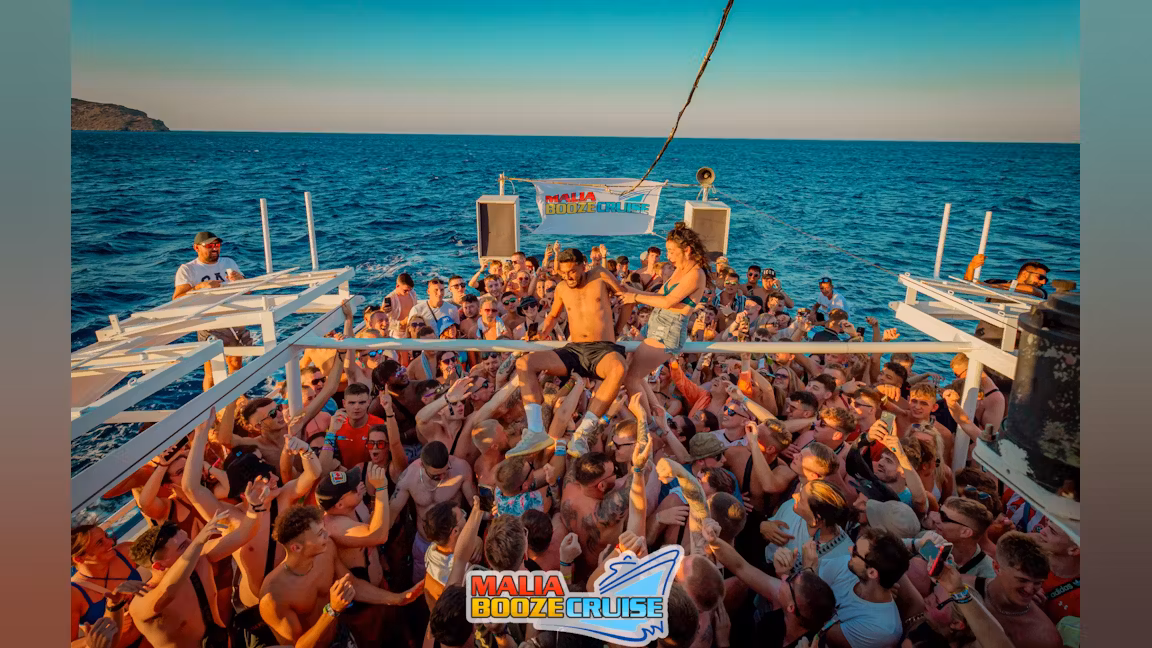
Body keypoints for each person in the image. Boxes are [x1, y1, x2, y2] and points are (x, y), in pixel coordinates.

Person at [509, 247, 633, 458]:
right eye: (564, 273)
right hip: (575, 349)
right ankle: (536, 431)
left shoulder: (600, 274)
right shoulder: (561, 288)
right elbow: (553, 316)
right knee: (524, 363)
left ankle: (583, 433)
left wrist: (618, 329)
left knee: (619, 368)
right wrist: (541, 334)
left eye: (573, 271)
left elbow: (626, 299)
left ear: (583, 266)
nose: (568, 277)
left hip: (603, 349)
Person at [258, 505, 424, 648]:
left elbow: (353, 584)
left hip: (341, 634)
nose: (328, 534)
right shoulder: (273, 596)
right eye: (320, 533)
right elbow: (296, 646)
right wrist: (332, 610)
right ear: (296, 548)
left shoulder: (326, 550)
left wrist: (398, 599)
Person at [128, 504, 262, 648]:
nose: (192, 545)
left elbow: (244, 534)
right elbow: (167, 593)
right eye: (183, 547)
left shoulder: (200, 559)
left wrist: (256, 507)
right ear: (159, 566)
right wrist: (198, 543)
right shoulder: (141, 602)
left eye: (189, 540)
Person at [620, 222, 711, 414]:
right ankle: (658, 417)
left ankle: (649, 422)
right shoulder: (680, 269)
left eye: (671, 251)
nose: (668, 256)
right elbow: (659, 296)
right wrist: (629, 290)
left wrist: (634, 297)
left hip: (668, 330)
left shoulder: (696, 274)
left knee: (631, 378)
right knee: (632, 374)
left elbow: (668, 301)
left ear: (686, 250)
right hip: (655, 324)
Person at [387, 441, 477, 581]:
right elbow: (391, 514)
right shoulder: (409, 477)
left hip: (455, 545)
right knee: (421, 584)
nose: (442, 477)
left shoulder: (461, 468)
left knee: (457, 586)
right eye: (436, 476)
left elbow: (475, 503)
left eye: (445, 471)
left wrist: (475, 536)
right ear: (422, 465)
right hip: (424, 542)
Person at [173, 231, 250, 373]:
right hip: (209, 321)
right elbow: (177, 299)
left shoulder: (228, 262)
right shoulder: (188, 269)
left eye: (217, 245)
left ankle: (237, 389)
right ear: (196, 248)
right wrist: (199, 287)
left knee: (235, 363)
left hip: (233, 317)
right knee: (212, 370)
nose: (214, 248)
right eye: (209, 245)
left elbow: (248, 291)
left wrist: (241, 280)